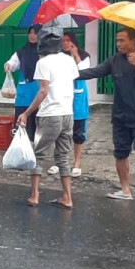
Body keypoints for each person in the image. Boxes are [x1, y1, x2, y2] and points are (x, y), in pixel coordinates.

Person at [77, 28, 135, 205]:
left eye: (122, 41)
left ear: (134, 41)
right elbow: (96, 71)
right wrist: (70, 74)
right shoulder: (115, 60)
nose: (119, 44)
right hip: (120, 114)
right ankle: (125, 190)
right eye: (117, 41)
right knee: (120, 153)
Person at [16, 27, 79, 209]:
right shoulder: (68, 60)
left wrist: (26, 113)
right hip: (68, 114)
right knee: (63, 157)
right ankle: (67, 197)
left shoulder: (42, 64)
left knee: (38, 154)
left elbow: (43, 91)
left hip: (49, 115)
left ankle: (34, 195)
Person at [46, 31, 91, 178]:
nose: (65, 43)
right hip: (63, 98)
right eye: (63, 40)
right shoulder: (59, 58)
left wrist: (75, 55)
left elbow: (83, 72)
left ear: (74, 42)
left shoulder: (84, 56)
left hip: (78, 99)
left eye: (68, 40)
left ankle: (76, 163)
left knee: (78, 133)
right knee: (60, 132)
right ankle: (58, 161)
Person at [4, 25, 41, 141]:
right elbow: (13, 63)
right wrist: (8, 66)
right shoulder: (21, 52)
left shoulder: (43, 52)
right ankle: (21, 146)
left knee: (36, 121)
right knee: (21, 120)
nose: (32, 35)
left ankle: (35, 146)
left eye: (35, 33)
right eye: (30, 32)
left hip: (38, 91)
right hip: (24, 93)